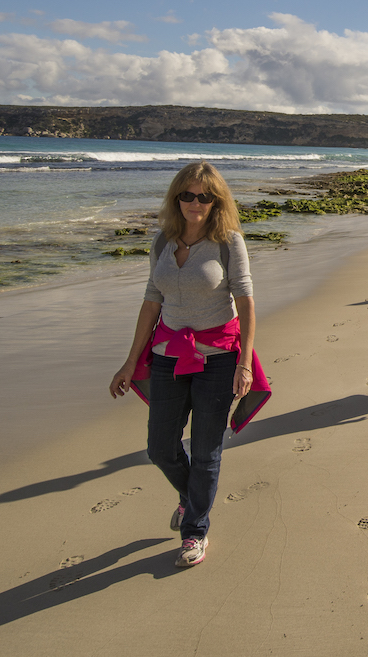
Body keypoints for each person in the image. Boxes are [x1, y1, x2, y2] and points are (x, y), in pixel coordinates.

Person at [108, 161, 270, 569]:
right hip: (167, 357)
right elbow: (151, 300)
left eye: (204, 196)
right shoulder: (163, 241)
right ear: (176, 197)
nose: (195, 203)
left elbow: (247, 303)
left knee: (205, 452)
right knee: (160, 449)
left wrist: (245, 364)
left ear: (216, 201)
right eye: (187, 195)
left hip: (218, 360)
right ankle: (191, 498)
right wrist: (130, 362)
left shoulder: (227, 241)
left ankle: (195, 530)